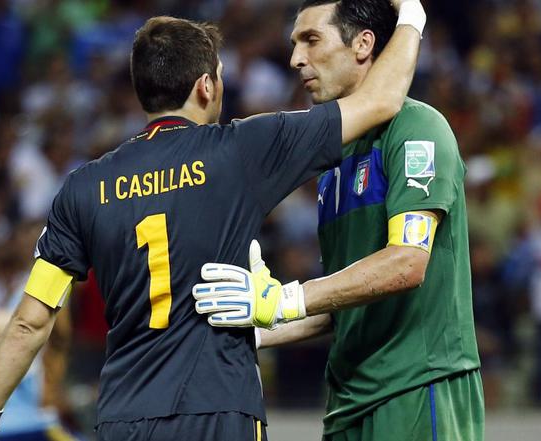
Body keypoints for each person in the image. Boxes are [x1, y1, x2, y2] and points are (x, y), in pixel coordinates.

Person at [0, 2, 427, 440]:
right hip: (220, 408)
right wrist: (411, 13)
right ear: (206, 86)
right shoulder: (242, 150)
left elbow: (29, 325)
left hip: (124, 416)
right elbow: (382, 101)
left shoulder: (83, 188)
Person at [193, 1, 483, 440]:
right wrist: (255, 328)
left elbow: (406, 262)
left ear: (363, 44)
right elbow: (343, 299)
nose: (296, 59)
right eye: (294, 44)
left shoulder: (417, 129)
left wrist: (287, 299)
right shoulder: (334, 160)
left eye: (311, 40)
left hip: (417, 388)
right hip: (348, 402)